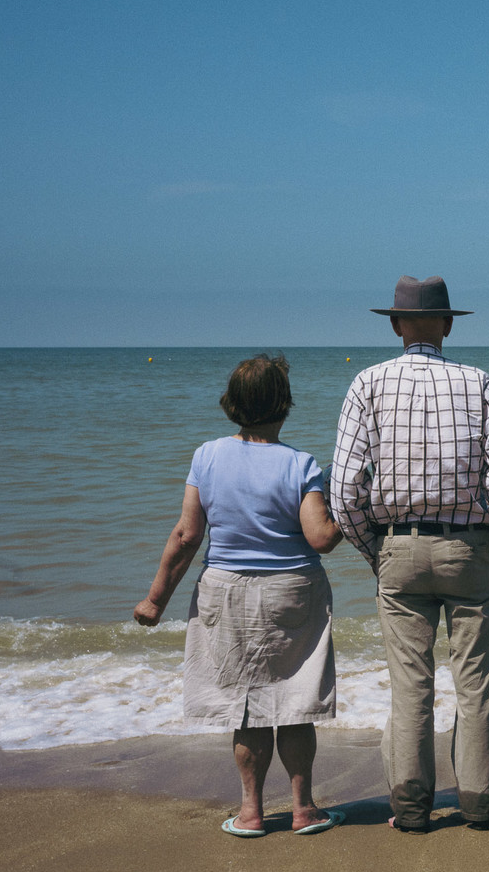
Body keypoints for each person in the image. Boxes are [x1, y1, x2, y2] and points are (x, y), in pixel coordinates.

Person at [332, 275, 489, 834]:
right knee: (475, 684)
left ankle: (412, 811)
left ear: (395, 325)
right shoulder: (478, 383)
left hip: (398, 545)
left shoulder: (367, 383)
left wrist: (378, 550)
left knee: (410, 687)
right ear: (447, 325)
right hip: (468, 547)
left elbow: (345, 489)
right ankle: (481, 806)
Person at [132, 353, 345, 836]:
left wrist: (155, 601)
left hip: (224, 589)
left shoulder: (206, 456)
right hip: (293, 589)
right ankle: (303, 810)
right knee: (293, 703)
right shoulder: (301, 464)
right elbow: (321, 540)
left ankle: (250, 813)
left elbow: (187, 536)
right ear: (284, 405)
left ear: (232, 404)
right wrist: (350, 510)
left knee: (245, 707)